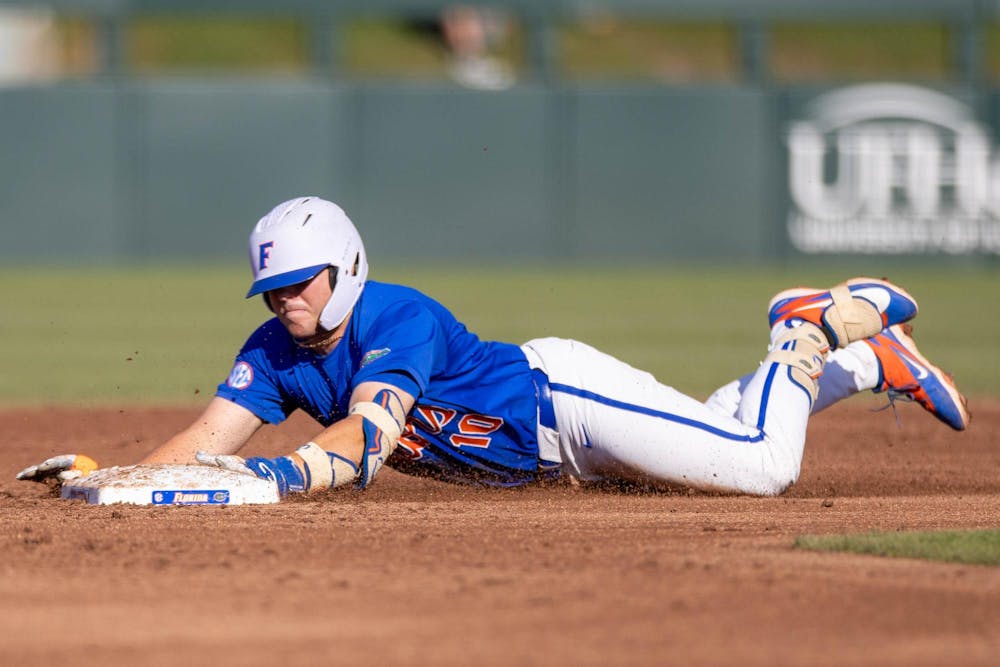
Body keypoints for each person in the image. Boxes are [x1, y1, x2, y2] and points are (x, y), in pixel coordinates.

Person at [17, 197, 970, 497]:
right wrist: (114, 480)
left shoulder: (400, 319)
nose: (286, 299)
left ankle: (805, 329)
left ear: (344, 269)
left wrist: (285, 478)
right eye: (273, 285)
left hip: (564, 401)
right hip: (552, 461)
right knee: (718, 433)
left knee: (762, 468)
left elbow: (368, 440)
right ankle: (863, 365)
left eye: (300, 279)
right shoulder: (273, 348)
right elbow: (206, 441)